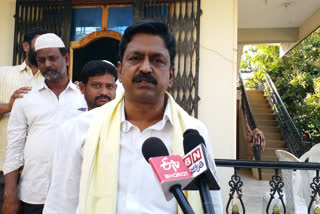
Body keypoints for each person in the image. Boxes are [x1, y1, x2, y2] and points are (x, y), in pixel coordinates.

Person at [43, 21, 223, 214]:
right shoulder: (79, 129)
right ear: (119, 71)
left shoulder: (193, 134)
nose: (145, 68)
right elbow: (60, 206)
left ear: (171, 75)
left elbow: (210, 205)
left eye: (157, 60)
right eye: (135, 58)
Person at [2, 33, 87, 214]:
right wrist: (10, 196)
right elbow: (14, 149)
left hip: (73, 195)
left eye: (52, 58)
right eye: (41, 60)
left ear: (66, 58)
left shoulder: (83, 98)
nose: (47, 64)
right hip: (33, 194)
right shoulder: (25, 99)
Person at [0, 27, 47, 210]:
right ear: (26, 46)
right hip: (3, 168)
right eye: (39, 43)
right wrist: (10, 106)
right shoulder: (3, 74)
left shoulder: (54, 82)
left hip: (39, 174)